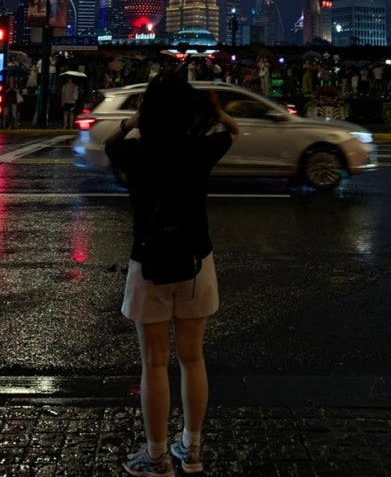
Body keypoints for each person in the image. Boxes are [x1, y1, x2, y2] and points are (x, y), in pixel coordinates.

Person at [103, 73, 239, 477]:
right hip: (196, 262)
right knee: (193, 358)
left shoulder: (135, 152)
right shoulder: (200, 150)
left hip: (148, 264)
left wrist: (131, 121)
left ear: (148, 110)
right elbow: (233, 131)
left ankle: (156, 456)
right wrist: (215, 111)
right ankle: (191, 450)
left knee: (155, 363)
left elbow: (109, 142)